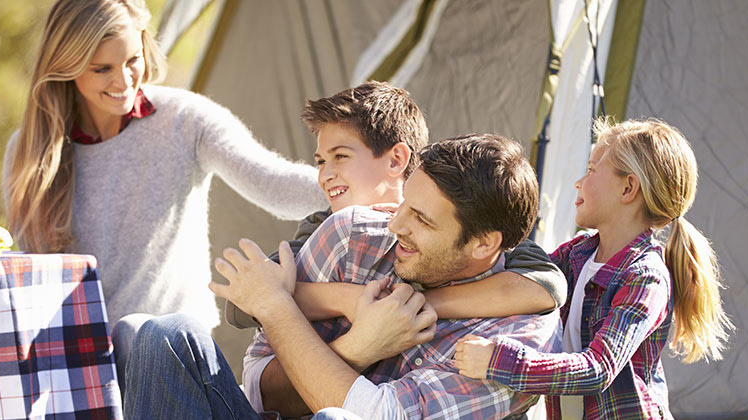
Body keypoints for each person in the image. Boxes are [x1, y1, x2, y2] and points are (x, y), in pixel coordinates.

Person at [124, 134, 561, 419]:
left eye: (422, 220)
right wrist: (357, 348)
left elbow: (378, 416)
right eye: (403, 203)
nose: (395, 225)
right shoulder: (356, 235)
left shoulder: (517, 344)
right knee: (164, 334)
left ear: (483, 244)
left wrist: (277, 308)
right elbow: (259, 387)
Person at [1, 0, 326, 332]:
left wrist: (357, 186)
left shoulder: (186, 120)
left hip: (173, 346)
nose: (124, 80)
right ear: (66, 67)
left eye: (132, 60)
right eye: (102, 69)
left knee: (138, 332)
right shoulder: (28, 152)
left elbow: (271, 182)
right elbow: (32, 276)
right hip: (79, 359)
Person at [225, 81, 565, 330]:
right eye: (320, 162)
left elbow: (547, 285)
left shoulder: (457, 214)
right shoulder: (320, 226)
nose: (325, 175)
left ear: (397, 159)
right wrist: (347, 299)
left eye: (340, 157)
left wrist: (415, 305)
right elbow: (241, 306)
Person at [452, 118, 734, 419]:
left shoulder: (646, 277)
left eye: (591, 170)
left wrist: (499, 361)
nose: (578, 182)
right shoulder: (578, 253)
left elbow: (598, 369)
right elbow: (524, 278)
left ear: (628, 188)